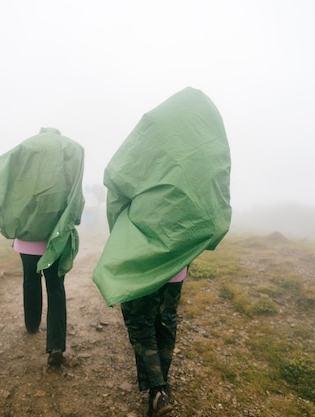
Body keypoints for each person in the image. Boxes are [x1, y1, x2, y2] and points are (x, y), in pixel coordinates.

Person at [92, 87, 231, 416]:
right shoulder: (210, 147)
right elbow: (217, 204)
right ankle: (162, 386)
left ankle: (157, 390)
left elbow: (117, 178)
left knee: (140, 320)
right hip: (179, 258)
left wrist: (121, 235)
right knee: (166, 320)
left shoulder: (152, 134)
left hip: (143, 248)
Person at [0, 127, 85, 366]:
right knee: (56, 287)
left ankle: (32, 324)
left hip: (26, 237)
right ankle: (56, 346)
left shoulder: (26, 148)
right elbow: (75, 193)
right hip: (55, 234)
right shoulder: (71, 149)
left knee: (30, 280)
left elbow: (9, 181)